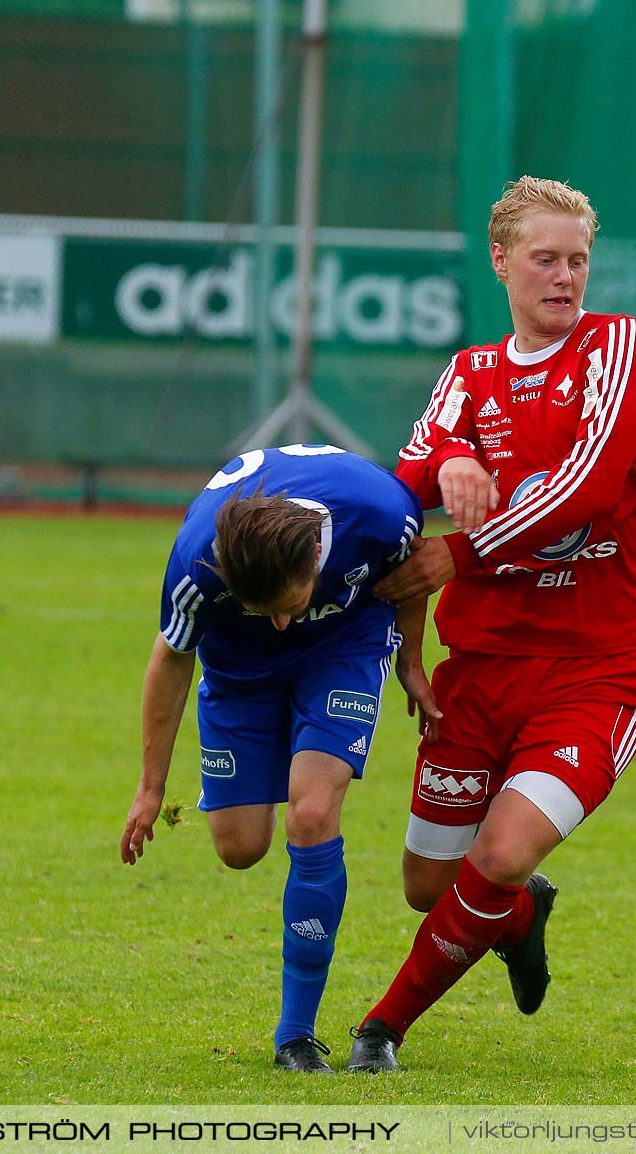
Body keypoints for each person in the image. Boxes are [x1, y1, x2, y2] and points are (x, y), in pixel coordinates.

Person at [346, 176, 636, 1072]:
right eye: (545, 259)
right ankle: (523, 913)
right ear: (501, 261)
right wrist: (450, 458)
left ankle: (381, 1030)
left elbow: (590, 486)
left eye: (578, 261)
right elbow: (403, 487)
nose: (565, 278)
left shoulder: (618, 348)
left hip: (600, 664)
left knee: (502, 849)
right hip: (482, 666)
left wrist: (463, 551)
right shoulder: (469, 373)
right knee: (430, 886)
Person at [119, 444, 437, 1074]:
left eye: (293, 602)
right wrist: (150, 789)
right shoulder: (195, 563)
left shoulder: (380, 513)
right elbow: (172, 657)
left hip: (346, 645)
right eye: (270, 611)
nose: (287, 622)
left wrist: (409, 662)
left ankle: (295, 1036)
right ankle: (505, 913)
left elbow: (413, 573)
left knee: (312, 814)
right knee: (240, 847)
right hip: (238, 672)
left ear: (316, 556)